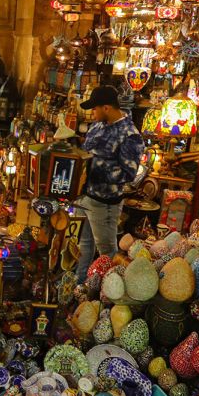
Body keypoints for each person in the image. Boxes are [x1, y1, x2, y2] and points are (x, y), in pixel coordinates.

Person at [74, 84, 145, 283]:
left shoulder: (130, 134)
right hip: (84, 197)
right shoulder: (97, 126)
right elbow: (86, 151)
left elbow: (129, 173)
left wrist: (95, 169)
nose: (92, 113)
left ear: (107, 108)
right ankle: (79, 285)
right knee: (82, 245)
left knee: (107, 252)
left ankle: (107, 294)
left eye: (94, 108)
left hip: (104, 203)